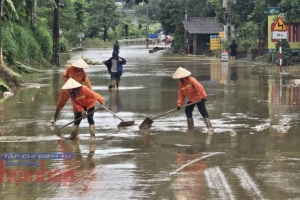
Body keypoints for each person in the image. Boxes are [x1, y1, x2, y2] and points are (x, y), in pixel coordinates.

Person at [50, 58, 92, 124]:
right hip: (66, 89)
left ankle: (75, 123)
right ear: (76, 66)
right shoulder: (70, 69)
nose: (80, 69)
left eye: (82, 68)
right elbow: (64, 76)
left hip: (76, 92)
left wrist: (91, 94)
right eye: (79, 67)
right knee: (60, 104)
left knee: (76, 107)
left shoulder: (83, 74)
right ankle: (54, 118)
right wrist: (70, 83)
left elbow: (88, 84)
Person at [172, 67, 213, 133]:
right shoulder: (180, 84)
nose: (180, 78)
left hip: (199, 98)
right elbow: (181, 94)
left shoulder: (191, 80)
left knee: (203, 112)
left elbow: (200, 87)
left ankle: (210, 127)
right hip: (190, 100)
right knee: (187, 111)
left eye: (181, 77)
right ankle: (190, 128)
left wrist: (204, 97)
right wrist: (179, 104)